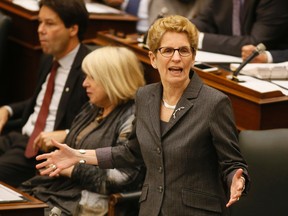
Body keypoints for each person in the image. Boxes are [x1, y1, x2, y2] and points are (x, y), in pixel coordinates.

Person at [36, 15, 250, 216]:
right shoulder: (145, 96)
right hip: (151, 208)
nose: (176, 58)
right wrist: (78, 155)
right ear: (153, 58)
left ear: (193, 57)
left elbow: (231, 163)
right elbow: (130, 152)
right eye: (167, 51)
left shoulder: (214, 103)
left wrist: (236, 179)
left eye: (184, 51)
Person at [20, 46, 146, 216]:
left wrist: (72, 169)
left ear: (112, 79)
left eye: (92, 77)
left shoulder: (132, 119)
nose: (84, 83)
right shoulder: (94, 107)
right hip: (60, 190)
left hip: (90, 203)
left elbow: (124, 179)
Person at [0, 0, 90, 187]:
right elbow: (39, 101)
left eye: (49, 24)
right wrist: (6, 110)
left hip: (41, 152)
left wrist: (65, 134)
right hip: (19, 136)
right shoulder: (48, 58)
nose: (40, 30)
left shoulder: (89, 69)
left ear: (73, 29)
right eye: (40, 22)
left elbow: (98, 122)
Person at [191, 0, 288, 57]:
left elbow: (255, 44)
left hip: (267, 69)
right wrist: (182, 29)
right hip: (228, 60)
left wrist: (199, 39)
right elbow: (205, 21)